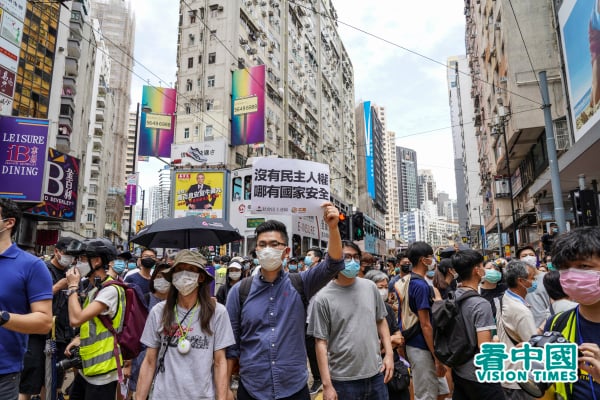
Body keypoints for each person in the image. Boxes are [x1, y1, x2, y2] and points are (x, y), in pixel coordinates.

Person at [225, 202, 343, 400]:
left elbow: (333, 265)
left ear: (286, 251)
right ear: (256, 251)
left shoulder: (301, 284)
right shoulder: (239, 292)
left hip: (294, 388)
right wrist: (226, 387)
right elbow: (230, 345)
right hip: (252, 389)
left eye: (274, 244)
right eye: (262, 245)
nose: (267, 249)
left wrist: (333, 227)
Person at [136, 250, 235, 400]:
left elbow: (220, 362)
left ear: (201, 277)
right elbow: (149, 361)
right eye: (179, 269)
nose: (183, 275)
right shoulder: (159, 312)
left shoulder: (218, 313)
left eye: (190, 270)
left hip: (203, 396)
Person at [308, 241, 394, 400]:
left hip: (376, 374)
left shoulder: (370, 287)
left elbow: (381, 321)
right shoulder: (322, 298)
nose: (353, 262)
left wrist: (389, 355)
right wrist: (327, 385)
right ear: (334, 260)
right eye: (346, 257)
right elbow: (320, 343)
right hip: (343, 381)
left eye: (356, 257)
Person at [0, 198, 53, 399]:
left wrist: (3, 318)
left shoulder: (31, 266)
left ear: (9, 223)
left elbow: (44, 322)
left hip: (4, 373)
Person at [64, 238, 128, 400]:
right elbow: (92, 323)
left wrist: (72, 287)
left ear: (97, 261)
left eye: (83, 259)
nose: (77, 264)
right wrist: (78, 338)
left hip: (103, 371)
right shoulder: (95, 289)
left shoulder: (111, 290)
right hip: (88, 368)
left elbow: (76, 319)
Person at [544, 226, 600, 399]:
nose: (573, 275)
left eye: (583, 266)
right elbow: (551, 392)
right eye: (565, 268)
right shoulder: (556, 324)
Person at [396, 241, 448, 400]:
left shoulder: (410, 281)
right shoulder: (421, 286)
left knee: (441, 391)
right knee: (426, 395)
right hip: (421, 345)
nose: (433, 260)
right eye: (430, 257)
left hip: (417, 343)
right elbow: (425, 324)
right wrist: (436, 356)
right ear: (422, 260)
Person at [449, 250, 504, 399]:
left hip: (459, 369)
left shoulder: (453, 296)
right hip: (480, 374)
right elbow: (484, 346)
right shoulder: (481, 304)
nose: (485, 270)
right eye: (482, 266)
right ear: (476, 270)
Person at [496, 260, 538, 400]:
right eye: (532, 278)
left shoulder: (503, 299)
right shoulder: (521, 311)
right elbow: (534, 346)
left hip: (507, 371)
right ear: (521, 281)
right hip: (520, 379)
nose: (534, 282)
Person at [365, 270, 409, 400]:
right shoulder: (363, 310)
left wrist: (387, 341)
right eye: (380, 287)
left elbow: (400, 338)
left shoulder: (387, 308)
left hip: (394, 367)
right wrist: (391, 340)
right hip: (374, 369)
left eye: (385, 287)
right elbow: (371, 347)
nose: (384, 291)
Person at [303, 247, 324, 395]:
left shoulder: (323, 274)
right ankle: (318, 378)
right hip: (308, 318)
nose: (307, 257)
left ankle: (323, 378)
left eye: (309, 255)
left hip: (321, 318)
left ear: (317, 259)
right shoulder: (305, 273)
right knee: (311, 350)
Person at [518, 246, 551, 327]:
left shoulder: (548, 277)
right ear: (519, 260)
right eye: (524, 256)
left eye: (531, 255)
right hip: (527, 328)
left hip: (547, 327)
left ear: (536, 258)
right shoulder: (518, 281)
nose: (528, 257)